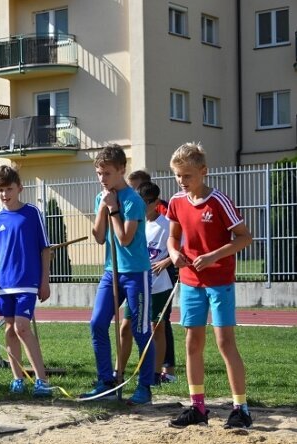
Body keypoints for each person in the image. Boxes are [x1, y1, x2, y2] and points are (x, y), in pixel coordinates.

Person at [166, 142, 253, 429]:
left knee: (225, 342)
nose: (182, 181)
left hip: (219, 282)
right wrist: (175, 254)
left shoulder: (219, 202)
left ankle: (241, 407)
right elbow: (173, 237)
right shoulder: (177, 202)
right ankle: (198, 407)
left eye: (187, 175)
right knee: (193, 342)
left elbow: (243, 237)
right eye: (178, 175)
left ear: (203, 172)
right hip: (191, 282)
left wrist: (214, 255)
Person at [0, 166, 53, 397]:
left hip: (27, 281)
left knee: (22, 327)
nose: (5, 194)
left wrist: (44, 281)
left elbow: (45, 249)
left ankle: (42, 380)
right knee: (9, 330)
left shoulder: (32, 213)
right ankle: (17, 379)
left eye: (9, 189)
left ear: (19, 188)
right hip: (4, 284)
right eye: (0, 190)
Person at [80, 144, 155, 405]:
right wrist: (103, 208)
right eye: (99, 173)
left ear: (122, 170)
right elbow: (100, 237)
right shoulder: (103, 198)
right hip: (111, 272)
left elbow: (124, 239)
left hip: (136, 273)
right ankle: (106, 382)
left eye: (107, 173)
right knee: (97, 323)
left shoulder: (133, 200)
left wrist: (113, 209)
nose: (102, 179)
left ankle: (145, 386)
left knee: (140, 329)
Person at [118, 182, 174, 387]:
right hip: (137, 283)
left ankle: (155, 374)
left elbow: (182, 247)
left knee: (156, 327)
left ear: (156, 202)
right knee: (126, 327)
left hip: (159, 285)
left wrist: (167, 260)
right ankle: (119, 372)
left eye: (147, 203)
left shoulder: (167, 225)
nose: (143, 206)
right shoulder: (134, 221)